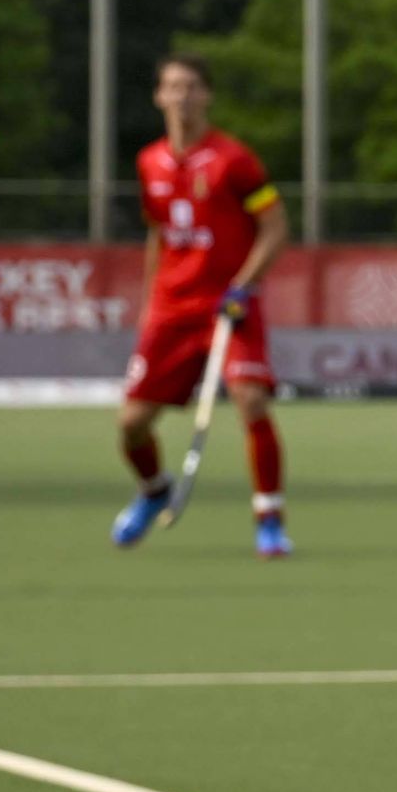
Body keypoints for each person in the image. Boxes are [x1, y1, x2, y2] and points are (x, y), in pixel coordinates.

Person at [111, 53, 292, 558]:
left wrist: (243, 286)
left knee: (252, 401)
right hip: (173, 309)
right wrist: (150, 301)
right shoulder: (149, 161)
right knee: (131, 424)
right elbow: (159, 234)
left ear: (207, 95)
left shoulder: (234, 160)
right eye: (172, 87)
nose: (182, 96)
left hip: (229, 305)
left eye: (191, 87)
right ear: (158, 96)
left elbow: (276, 228)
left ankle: (269, 519)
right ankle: (153, 490)